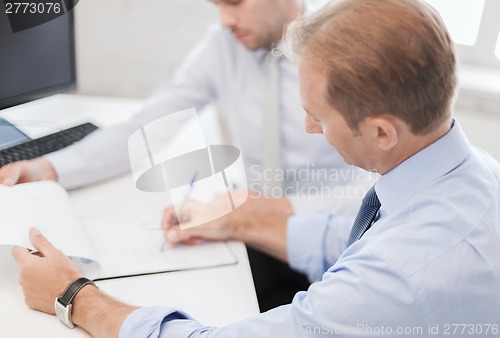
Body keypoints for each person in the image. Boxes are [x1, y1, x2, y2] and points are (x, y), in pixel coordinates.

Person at [13, 0, 500, 336]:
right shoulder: (469, 169)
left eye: (318, 116)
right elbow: (357, 236)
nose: (311, 126)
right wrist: (245, 218)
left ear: (379, 132)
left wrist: (74, 296)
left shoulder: (393, 277)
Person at [0, 0, 373, 311]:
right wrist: (52, 166)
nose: (225, 20)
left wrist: (273, 210)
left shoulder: (346, 51)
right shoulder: (225, 45)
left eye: (235, 2)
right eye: (216, 5)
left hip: (342, 240)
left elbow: (383, 175)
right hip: (255, 235)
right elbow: (149, 125)